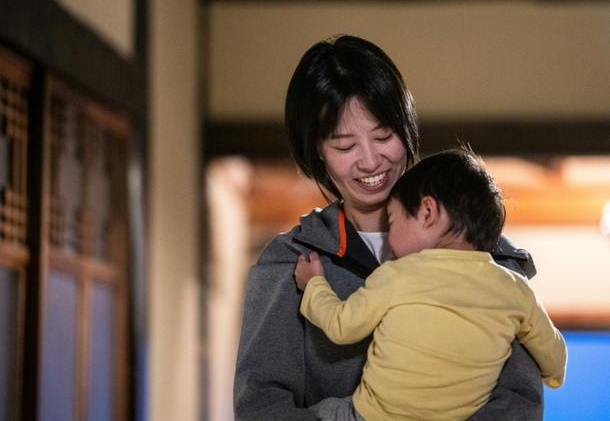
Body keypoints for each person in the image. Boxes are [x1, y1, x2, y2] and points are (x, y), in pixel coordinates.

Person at [234, 35, 544, 421]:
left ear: (407, 127)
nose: (370, 161)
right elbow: (261, 406)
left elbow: (518, 403)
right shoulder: (290, 263)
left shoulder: (487, 255)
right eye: (345, 147)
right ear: (316, 152)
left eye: (384, 136)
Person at [294, 148, 567, 421]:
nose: (388, 239)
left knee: (324, 411)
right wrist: (553, 376)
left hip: (372, 416)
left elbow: (341, 326)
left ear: (427, 212)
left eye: (392, 220)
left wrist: (315, 283)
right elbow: (554, 357)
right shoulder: (515, 289)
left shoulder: (398, 274)